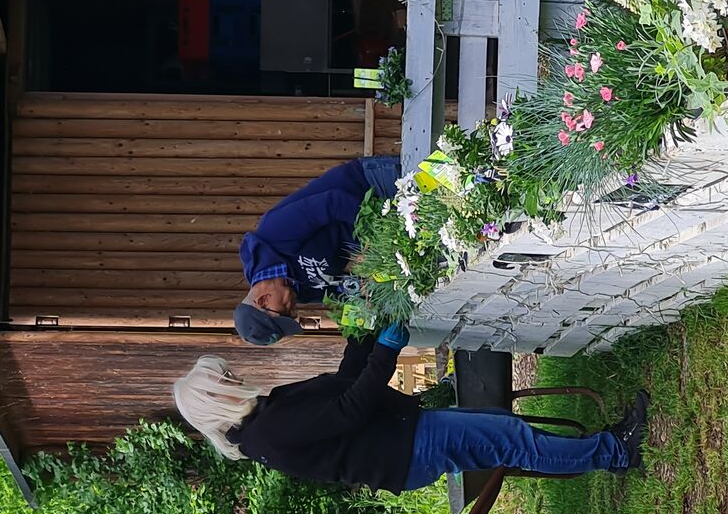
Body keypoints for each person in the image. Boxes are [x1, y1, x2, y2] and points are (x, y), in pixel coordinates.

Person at [172, 324, 650, 492]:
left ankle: (604, 448)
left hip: (406, 439)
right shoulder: (269, 431)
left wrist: (363, 334)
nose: (236, 377)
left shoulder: (263, 422)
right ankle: (615, 453)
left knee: (504, 428)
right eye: (226, 379)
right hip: (408, 448)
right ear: (217, 400)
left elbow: (342, 386)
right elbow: (350, 410)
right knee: (513, 442)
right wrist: (385, 351)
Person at [235, 155, 402, 346]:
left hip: (372, 185)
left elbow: (333, 202)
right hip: (386, 227)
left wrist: (376, 236)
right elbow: (344, 288)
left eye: (285, 314)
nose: (294, 311)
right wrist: (365, 300)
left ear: (263, 300)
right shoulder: (300, 291)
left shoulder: (272, 236)